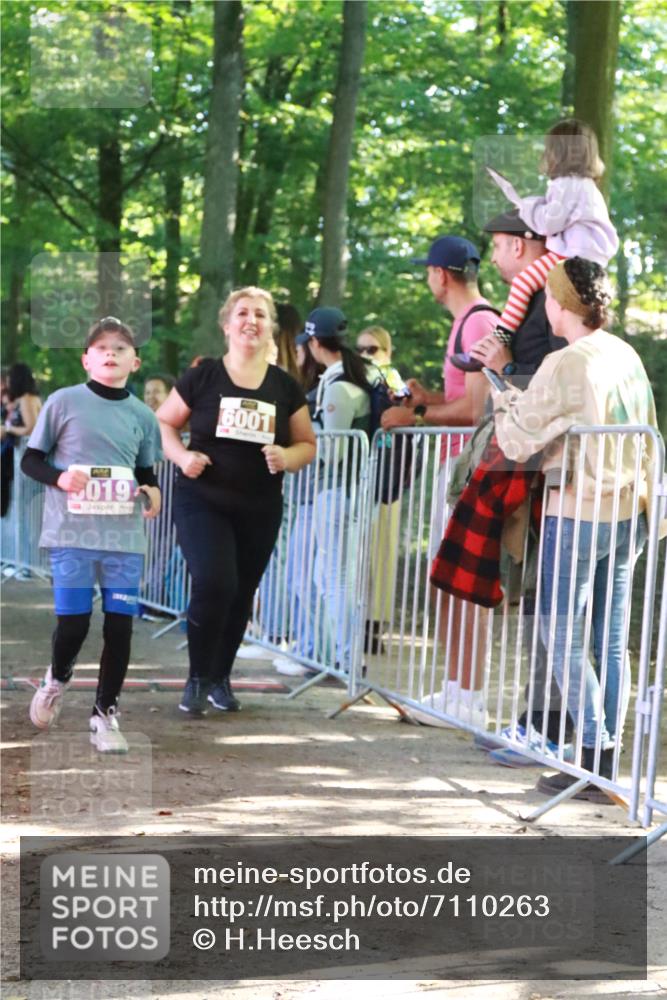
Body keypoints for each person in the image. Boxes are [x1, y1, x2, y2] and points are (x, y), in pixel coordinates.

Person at [491, 257, 663, 801]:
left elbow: (518, 439)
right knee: (609, 639)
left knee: (560, 632)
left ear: (559, 304)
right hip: (632, 510)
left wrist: (501, 395)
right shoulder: (624, 353)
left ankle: (590, 750)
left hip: (580, 509)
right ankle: (602, 760)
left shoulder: (565, 362)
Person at [156, 286, 316, 715]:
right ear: (227, 326)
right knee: (214, 581)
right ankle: (195, 677)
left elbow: (307, 445)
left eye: (261, 315)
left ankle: (219, 678)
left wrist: (286, 456)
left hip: (259, 506)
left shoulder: (285, 387)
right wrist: (182, 455)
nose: (252, 321)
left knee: (242, 592)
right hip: (202, 498)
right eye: (243, 313)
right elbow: (165, 423)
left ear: (271, 330)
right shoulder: (203, 376)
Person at [23, 317, 162, 753]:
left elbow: (144, 469)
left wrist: (152, 489)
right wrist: (61, 479)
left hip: (123, 538)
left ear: (134, 362)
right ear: (86, 359)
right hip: (72, 533)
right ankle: (57, 678)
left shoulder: (142, 415)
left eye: (121, 348)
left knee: (120, 628)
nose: (110, 353)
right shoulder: (63, 402)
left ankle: (105, 714)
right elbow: (31, 461)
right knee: (75, 624)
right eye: (101, 348)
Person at [381, 236, 497, 726]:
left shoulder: (478, 322)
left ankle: (468, 699)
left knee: (463, 584)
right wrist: (425, 398)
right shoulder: (467, 322)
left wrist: (418, 417)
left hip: (469, 465)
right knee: (447, 582)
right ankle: (454, 690)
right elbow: (460, 399)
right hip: (457, 464)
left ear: (440, 274)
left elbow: (476, 409)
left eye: (427, 270)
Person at [452, 118, 618, 371]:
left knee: (522, 283)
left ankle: (499, 337)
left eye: (497, 246)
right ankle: (497, 339)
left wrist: (508, 368)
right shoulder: (581, 186)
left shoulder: (569, 185)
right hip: (581, 257)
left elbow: (547, 223)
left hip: (574, 257)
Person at [275, 307, 377, 676]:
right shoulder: (344, 379)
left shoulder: (337, 387)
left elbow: (332, 452)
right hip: (330, 493)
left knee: (335, 580)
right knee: (318, 577)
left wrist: (301, 433)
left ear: (315, 342)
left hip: (337, 491)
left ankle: (347, 659)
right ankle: (323, 653)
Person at [355, 325, 407, 654]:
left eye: (372, 349)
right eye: (359, 349)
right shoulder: (354, 382)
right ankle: (356, 620)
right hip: (361, 476)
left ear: (386, 351)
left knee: (382, 552)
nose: (365, 356)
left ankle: (375, 625)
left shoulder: (392, 380)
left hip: (388, 476)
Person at [1, 363, 43, 518]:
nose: (8, 382)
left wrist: (7, 429)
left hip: (27, 456)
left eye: (10, 378)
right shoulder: (24, 399)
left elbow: (31, 428)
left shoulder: (27, 399)